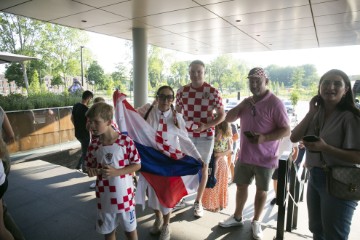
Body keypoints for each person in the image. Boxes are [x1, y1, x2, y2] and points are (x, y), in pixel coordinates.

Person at [218, 67, 290, 240]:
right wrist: (243, 104)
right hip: (245, 155)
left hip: (266, 157)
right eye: (251, 80)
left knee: (261, 191)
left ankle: (256, 222)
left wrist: (264, 138)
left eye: (258, 80)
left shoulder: (275, 103)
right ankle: (237, 217)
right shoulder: (247, 102)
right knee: (241, 186)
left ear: (266, 82)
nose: (254, 83)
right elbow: (228, 118)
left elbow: (286, 130)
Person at [290, 69, 360, 240]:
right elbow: (294, 137)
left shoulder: (350, 117)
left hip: (340, 181)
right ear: (319, 88)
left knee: (334, 235)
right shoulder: (317, 113)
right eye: (326, 83)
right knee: (317, 229)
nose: (331, 87)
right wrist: (310, 112)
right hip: (315, 175)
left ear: (346, 91)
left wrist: (325, 148)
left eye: (337, 84)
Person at [136, 86, 203, 240]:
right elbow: (130, 117)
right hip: (151, 160)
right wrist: (120, 103)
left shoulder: (177, 118)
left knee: (167, 194)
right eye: (162, 96)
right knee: (151, 192)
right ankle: (158, 217)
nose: (165, 100)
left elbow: (185, 140)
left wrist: (199, 158)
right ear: (157, 97)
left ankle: (166, 225)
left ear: (173, 99)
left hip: (170, 162)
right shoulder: (148, 111)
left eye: (169, 97)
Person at [176, 60, 225, 217]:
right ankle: (180, 198)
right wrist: (178, 125)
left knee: (203, 167)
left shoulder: (213, 91)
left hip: (205, 136)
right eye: (192, 71)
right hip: (186, 136)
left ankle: (198, 203)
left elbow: (222, 115)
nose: (195, 74)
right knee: (184, 166)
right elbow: (177, 113)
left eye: (199, 71)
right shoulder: (182, 91)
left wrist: (206, 125)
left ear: (204, 72)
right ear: (189, 73)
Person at [85, 102, 141, 240]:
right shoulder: (94, 145)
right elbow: (88, 167)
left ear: (109, 121)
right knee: (108, 231)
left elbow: (137, 164)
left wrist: (117, 172)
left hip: (125, 196)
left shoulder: (125, 141)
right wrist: (91, 171)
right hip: (104, 197)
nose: (91, 126)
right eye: (90, 122)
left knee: (130, 231)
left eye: (96, 122)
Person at [202, 120, 232, 212]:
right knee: (218, 185)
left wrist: (217, 154)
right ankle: (217, 205)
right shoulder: (228, 136)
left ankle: (211, 205)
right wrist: (220, 154)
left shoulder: (215, 134)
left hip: (214, 161)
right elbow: (230, 150)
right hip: (221, 162)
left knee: (212, 184)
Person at [270, 136, 299, 205]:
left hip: (286, 161)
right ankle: (277, 196)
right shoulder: (277, 132)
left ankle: (284, 197)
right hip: (276, 161)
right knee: (275, 179)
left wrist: (292, 162)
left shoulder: (292, 135)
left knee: (284, 181)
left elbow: (296, 149)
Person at [71, 90, 93, 172]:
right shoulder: (86, 109)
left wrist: (77, 126)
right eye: (91, 98)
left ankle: (78, 165)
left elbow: (72, 118)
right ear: (88, 98)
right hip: (84, 133)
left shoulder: (76, 105)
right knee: (85, 151)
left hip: (77, 132)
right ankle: (84, 168)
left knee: (85, 149)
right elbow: (89, 123)